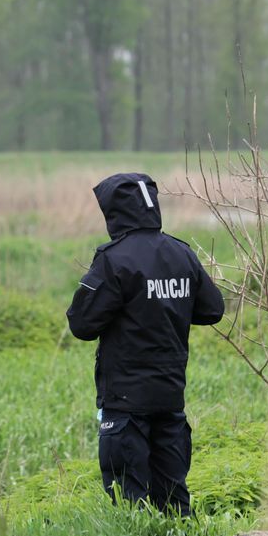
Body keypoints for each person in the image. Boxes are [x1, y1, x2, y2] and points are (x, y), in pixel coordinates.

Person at [66, 172, 224, 517]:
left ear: (114, 212)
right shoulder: (182, 253)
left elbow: (81, 324)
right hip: (170, 397)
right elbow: (213, 310)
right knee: (173, 499)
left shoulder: (114, 258)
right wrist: (167, 308)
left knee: (129, 501)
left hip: (125, 402)